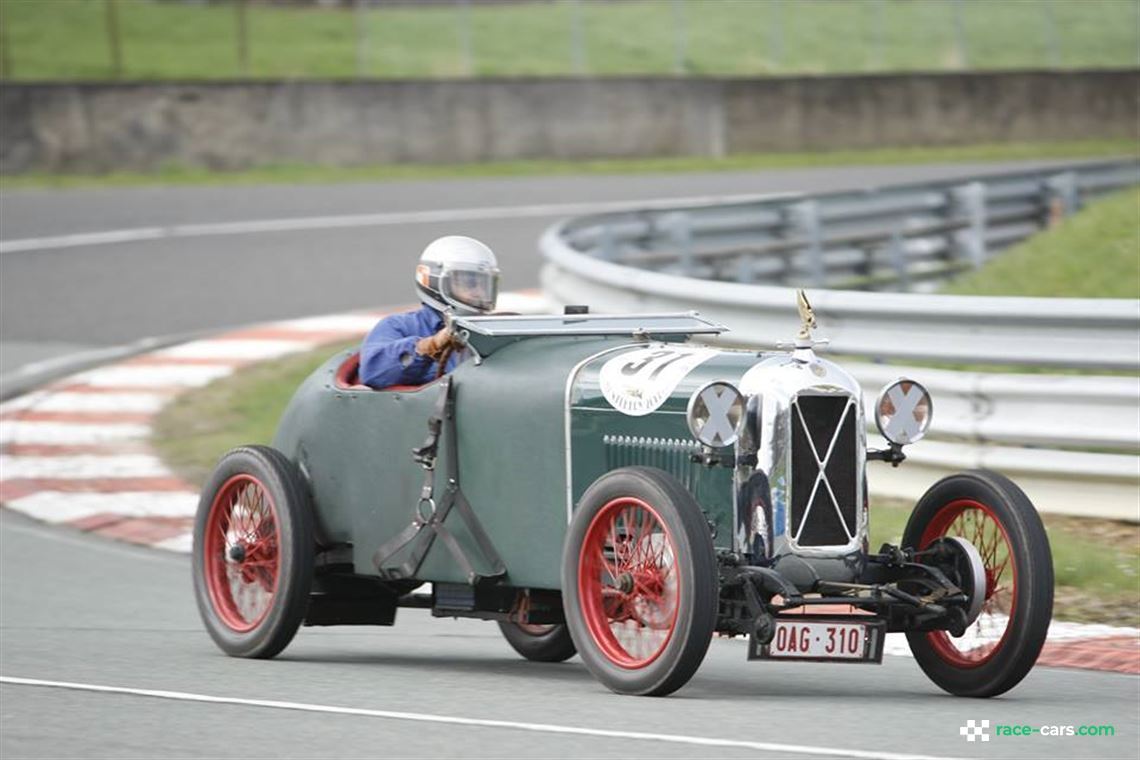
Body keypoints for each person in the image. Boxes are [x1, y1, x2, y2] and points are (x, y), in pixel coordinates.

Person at [359, 235, 499, 389]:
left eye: (484, 285)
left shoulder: (494, 332)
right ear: (434, 281)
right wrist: (430, 345)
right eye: (469, 283)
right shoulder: (399, 326)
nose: (479, 292)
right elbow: (373, 372)